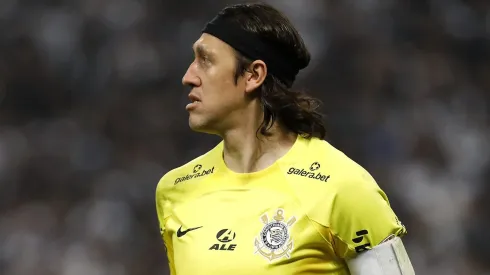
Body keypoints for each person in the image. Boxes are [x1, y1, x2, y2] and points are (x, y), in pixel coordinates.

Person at [155, 2, 414, 275]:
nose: (188, 77)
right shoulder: (175, 190)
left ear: (253, 75)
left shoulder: (342, 188)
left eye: (205, 60)